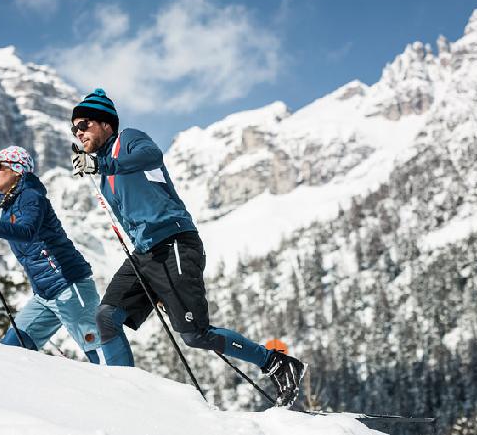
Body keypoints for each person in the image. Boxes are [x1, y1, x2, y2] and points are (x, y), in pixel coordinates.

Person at [69, 89, 307, 406]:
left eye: (84, 124)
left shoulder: (129, 140)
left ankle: (276, 363)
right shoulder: (102, 170)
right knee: (106, 317)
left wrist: (103, 167)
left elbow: (151, 157)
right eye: (74, 130)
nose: (79, 132)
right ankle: (124, 398)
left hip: (174, 243)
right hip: (144, 254)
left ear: (106, 124)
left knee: (195, 335)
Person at [0, 145, 103, 363]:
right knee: (10, 351)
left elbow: (27, 232)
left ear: (17, 170)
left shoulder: (30, 196)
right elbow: (13, 230)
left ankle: (131, 395)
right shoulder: (9, 206)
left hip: (70, 286)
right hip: (44, 295)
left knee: (98, 353)